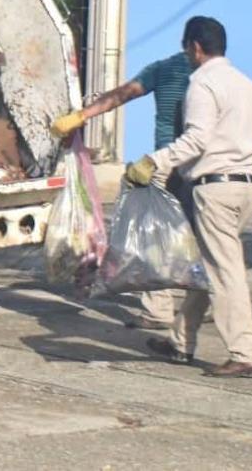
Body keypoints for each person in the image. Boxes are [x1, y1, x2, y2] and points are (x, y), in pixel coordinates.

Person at [126, 16, 252, 378]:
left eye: (186, 47)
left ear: (195, 47)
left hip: (214, 188)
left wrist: (154, 160)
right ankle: (180, 342)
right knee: (209, 266)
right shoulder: (249, 87)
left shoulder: (202, 84)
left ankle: (246, 352)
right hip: (247, 186)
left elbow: (197, 140)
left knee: (225, 272)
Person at [51, 51, 193, 329]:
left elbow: (123, 94)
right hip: (200, 165)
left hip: (164, 161)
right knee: (199, 237)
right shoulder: (213, 75)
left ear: (189, 43)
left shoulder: (164, 67)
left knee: (152, 235)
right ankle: (198, 304)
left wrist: (81, 115)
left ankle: (158, 312)